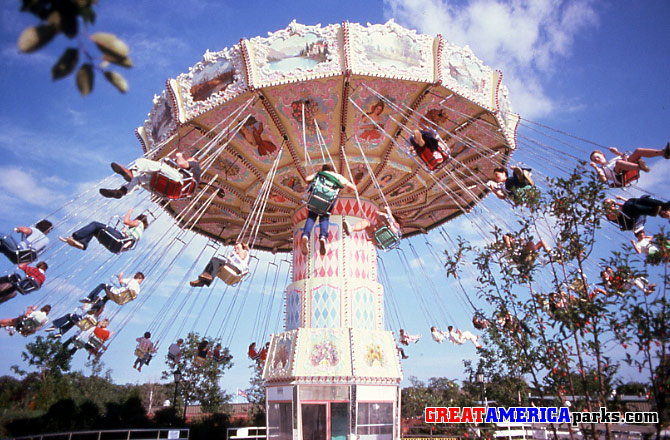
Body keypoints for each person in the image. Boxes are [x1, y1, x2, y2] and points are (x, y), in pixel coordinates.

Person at [301, 164, 356, 256]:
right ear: (332, 170)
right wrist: (349, 189)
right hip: (328, 201)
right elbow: (353, 187)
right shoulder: (338, 176)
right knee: (325, 217)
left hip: (316, 197)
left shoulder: (320, 173)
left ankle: (306, 235)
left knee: (311, 216)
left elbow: (307, 178)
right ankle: (323, 237)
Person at [99, 152, 202, 199]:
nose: (188, 158)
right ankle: (121, 191)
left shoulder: (195, 165)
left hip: (179, 180)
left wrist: (179, 155)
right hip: (170, 193)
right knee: (139, 180)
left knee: (145, 163)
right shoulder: (194, 176)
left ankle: (132, 172)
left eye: (190, 158)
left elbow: (181, 164)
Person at [60, 208, 148, 252]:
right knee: (95, 231)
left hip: (120, 239)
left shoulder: (139, 222)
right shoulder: (139, 233)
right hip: (117, 248)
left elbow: (126, 221)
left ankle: (75, 237)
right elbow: (127, 234)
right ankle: (82, 244)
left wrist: (129, 212)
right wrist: (125, 228)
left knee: (95, 224)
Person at [589, 144, 670, 187]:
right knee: (618, 163)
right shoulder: (601, 169)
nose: (597, 159)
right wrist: (595, 167)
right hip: (619, 177)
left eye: (597, 157)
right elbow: (604, 180)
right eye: (595, 160)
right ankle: (639, 167)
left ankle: (664, 153)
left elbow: (625, 158)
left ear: (602, 155)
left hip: (626, 166)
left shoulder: (614, 159)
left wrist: (617, 152)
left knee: (638, 151)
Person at [80, 272, 145, 315]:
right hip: (122, 300)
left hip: (117, 294)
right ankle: (96, 308)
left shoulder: (131, 280)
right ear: (139, 278)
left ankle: (90, 298)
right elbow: (133, 296)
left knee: (102, 285)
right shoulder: (138, 289)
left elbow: (121, 281)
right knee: (107, 297)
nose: (140, 282)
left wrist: (120, 276)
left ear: (138, 278)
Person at [604, 196, 670, 232]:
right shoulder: (609, 214)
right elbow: (616, 216)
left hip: (631, 213)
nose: (611, 204)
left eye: (611, 202)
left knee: (641, 200)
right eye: (609, 203)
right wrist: (617, 209)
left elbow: (629, 202)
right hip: (629, 222)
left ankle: (664, 207)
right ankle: (653, 211)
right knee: (630, 205)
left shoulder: (619, 207)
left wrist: (621, 199)